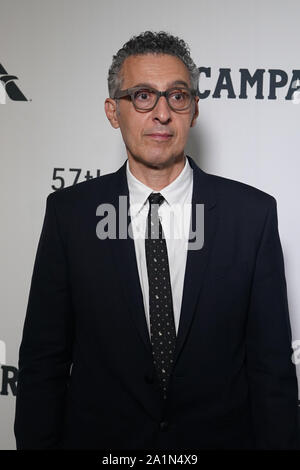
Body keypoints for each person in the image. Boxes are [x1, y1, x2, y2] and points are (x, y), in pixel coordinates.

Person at [14, 31, 299, 450]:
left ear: (194, 110)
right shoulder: (69, 215)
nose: (162, 113)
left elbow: (271, 371)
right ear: (114, 111)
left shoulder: (251, 216)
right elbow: (43, 362)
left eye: (177, 96)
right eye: (143, 96)